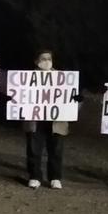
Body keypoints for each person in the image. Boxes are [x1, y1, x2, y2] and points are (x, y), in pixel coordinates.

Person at [21, 50, 72, 190]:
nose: (46, 61)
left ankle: (55, 177)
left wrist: (75, 99)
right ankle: (34, 176)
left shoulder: (62, 78)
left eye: (49, 58)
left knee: (56, 150)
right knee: (33, 150)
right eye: (43, 58)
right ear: (36, 61)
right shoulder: (27, 78)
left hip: (56, 121)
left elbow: (70, 96)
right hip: (35, 120)